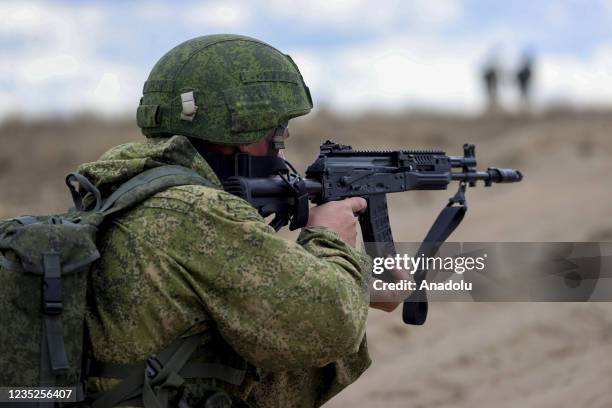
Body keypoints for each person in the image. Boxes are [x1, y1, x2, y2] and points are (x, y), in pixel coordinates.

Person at [83, 34, 403, 408]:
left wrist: (357, 285)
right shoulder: (196, 210)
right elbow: (330, 327)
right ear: (243, 130)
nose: (281, 143)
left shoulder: (123, 184)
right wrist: (328, 236)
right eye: (278, 130)